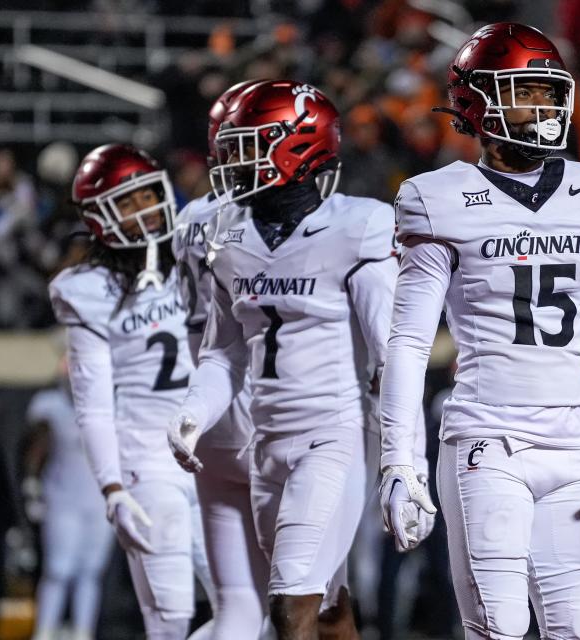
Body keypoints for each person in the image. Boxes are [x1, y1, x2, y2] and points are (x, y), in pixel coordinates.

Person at [378, 23, 580, 640]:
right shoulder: (438, 197)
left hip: (572, 447)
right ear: (477, 102)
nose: (543, 107)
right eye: (524, 91)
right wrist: (398, 458)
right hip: (487, 441)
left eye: (547, 91)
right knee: (498, 629)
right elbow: (407, 343)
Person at [167, 80, 429, 639]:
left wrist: (408, 464)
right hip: (264, 447)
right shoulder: (229, 238)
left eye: (246, 145)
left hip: (330, 438)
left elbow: (395, 355)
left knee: (289, 609)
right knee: (329, 608)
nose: (229, 161)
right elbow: (225, 351)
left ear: (296, 146)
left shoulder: (358, 226)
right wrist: (192, 414)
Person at [48, 143, 212, 639]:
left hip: (216, 458)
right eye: (127, 203)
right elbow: (93, 407)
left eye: (146, 195)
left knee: (252, 608)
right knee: (171, 619)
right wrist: (113, 488)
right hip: (150, 460)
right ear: (100, 216)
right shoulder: (88, 289)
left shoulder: (196, 255)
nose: (143, 210)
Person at [172, 79, 271, 639]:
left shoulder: (190, 219)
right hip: (266, 405)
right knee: (299, 603)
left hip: (211, 410)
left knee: (240, 608)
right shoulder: (258, 219)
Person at [27, 373, 114, 640]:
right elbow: (36, 447)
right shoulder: (51, 405)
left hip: (99, 499)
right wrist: (32, 484)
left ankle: (82, 631)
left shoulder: (112, 406)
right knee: (58, 570)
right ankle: (44, 631)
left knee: (90, 572)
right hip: (62, 498)